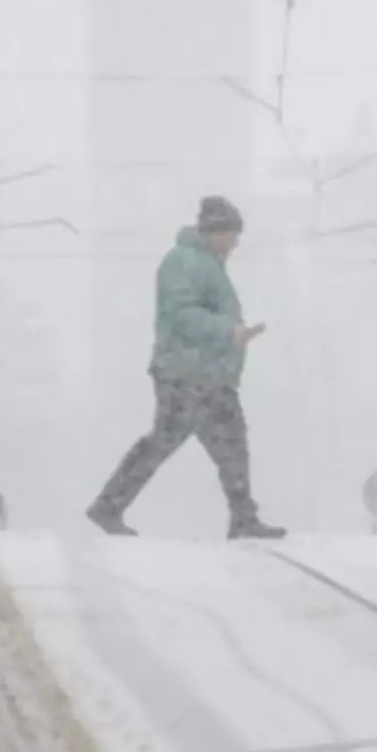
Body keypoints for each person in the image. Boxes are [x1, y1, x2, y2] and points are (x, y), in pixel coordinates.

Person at [86, 195, 287, 539]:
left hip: (206, 375)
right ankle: (109, 506)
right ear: (216, 232)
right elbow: (180, 316)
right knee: (170, 442)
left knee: (228, 442)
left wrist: (233, 338)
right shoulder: (185, 262)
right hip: (186, 374)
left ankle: (243, 517)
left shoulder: (206, 263)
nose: (237, 243)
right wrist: (229, 330)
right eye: (233, 235)